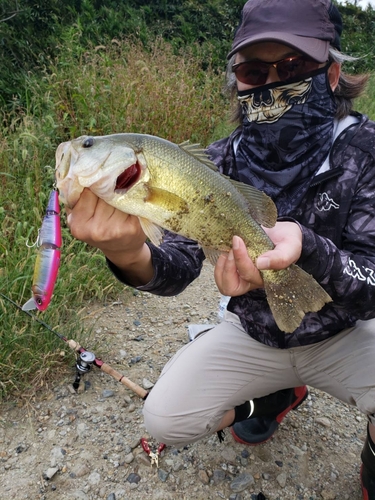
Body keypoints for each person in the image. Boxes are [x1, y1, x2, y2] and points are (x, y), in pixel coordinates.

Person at [66, 0, 375, 497]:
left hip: (341, 333)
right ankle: (273, 398)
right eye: (255, 70)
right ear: (238, 82)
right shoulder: (219, 162)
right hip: (252, 334)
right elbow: (179, 267)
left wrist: (310, 251)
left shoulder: (367, 152)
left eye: (294, 67)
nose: (273, 82)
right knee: (164, 418)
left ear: (333, 74)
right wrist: (127, 253)